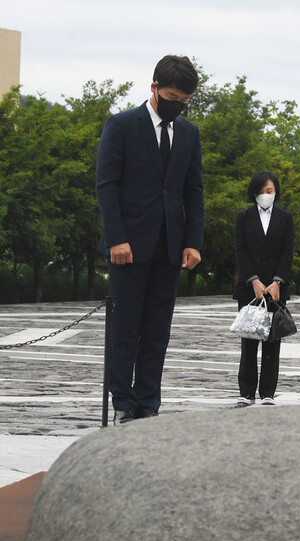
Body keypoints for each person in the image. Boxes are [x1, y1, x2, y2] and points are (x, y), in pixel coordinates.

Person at [96, 55, 203, 424]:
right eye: (172, 95)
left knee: (158, 330)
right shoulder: (122, 125)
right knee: (125, 328)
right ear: (154, 87)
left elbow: (193, 192)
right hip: (126, 247)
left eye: (184, 100)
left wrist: (193, 241)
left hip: (170, 247)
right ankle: (122, 401)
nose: (178, 104)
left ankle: (148, 402)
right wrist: (116, 238)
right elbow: (106, 186)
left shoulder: (189, 133)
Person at [232, 171, 294, 406]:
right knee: (248, 341)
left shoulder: (285, 218)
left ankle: (268, 392)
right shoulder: (244, 217)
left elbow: (288, 252)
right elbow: (240, 251)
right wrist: (254, 280)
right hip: (250, 288)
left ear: (276, 192)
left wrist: (278, 281)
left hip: (276, 288)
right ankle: (246, 392)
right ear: (254, 193)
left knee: (272, 341)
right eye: (261, 192)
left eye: (270, 191)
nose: (266, 195)